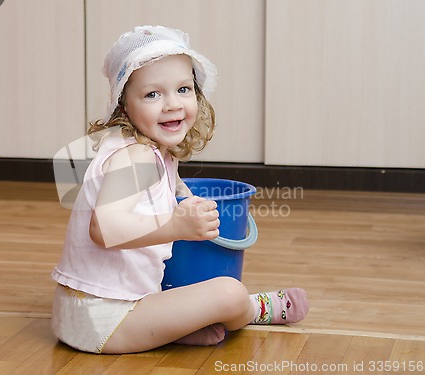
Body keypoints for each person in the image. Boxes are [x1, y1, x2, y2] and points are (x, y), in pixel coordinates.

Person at [51, 25, 309, 354]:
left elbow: (172, 184)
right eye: (152, 94)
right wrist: (176, 225)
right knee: (227, 292)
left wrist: (188, 199)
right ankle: (252, 308)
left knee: (184, 284)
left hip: (94, 314)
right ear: (123, 106)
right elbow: (104, 228)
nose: (172, 104)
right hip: (106, 319)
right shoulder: (136, 157)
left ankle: (171, 329)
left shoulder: (151, 150)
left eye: (183, 89)